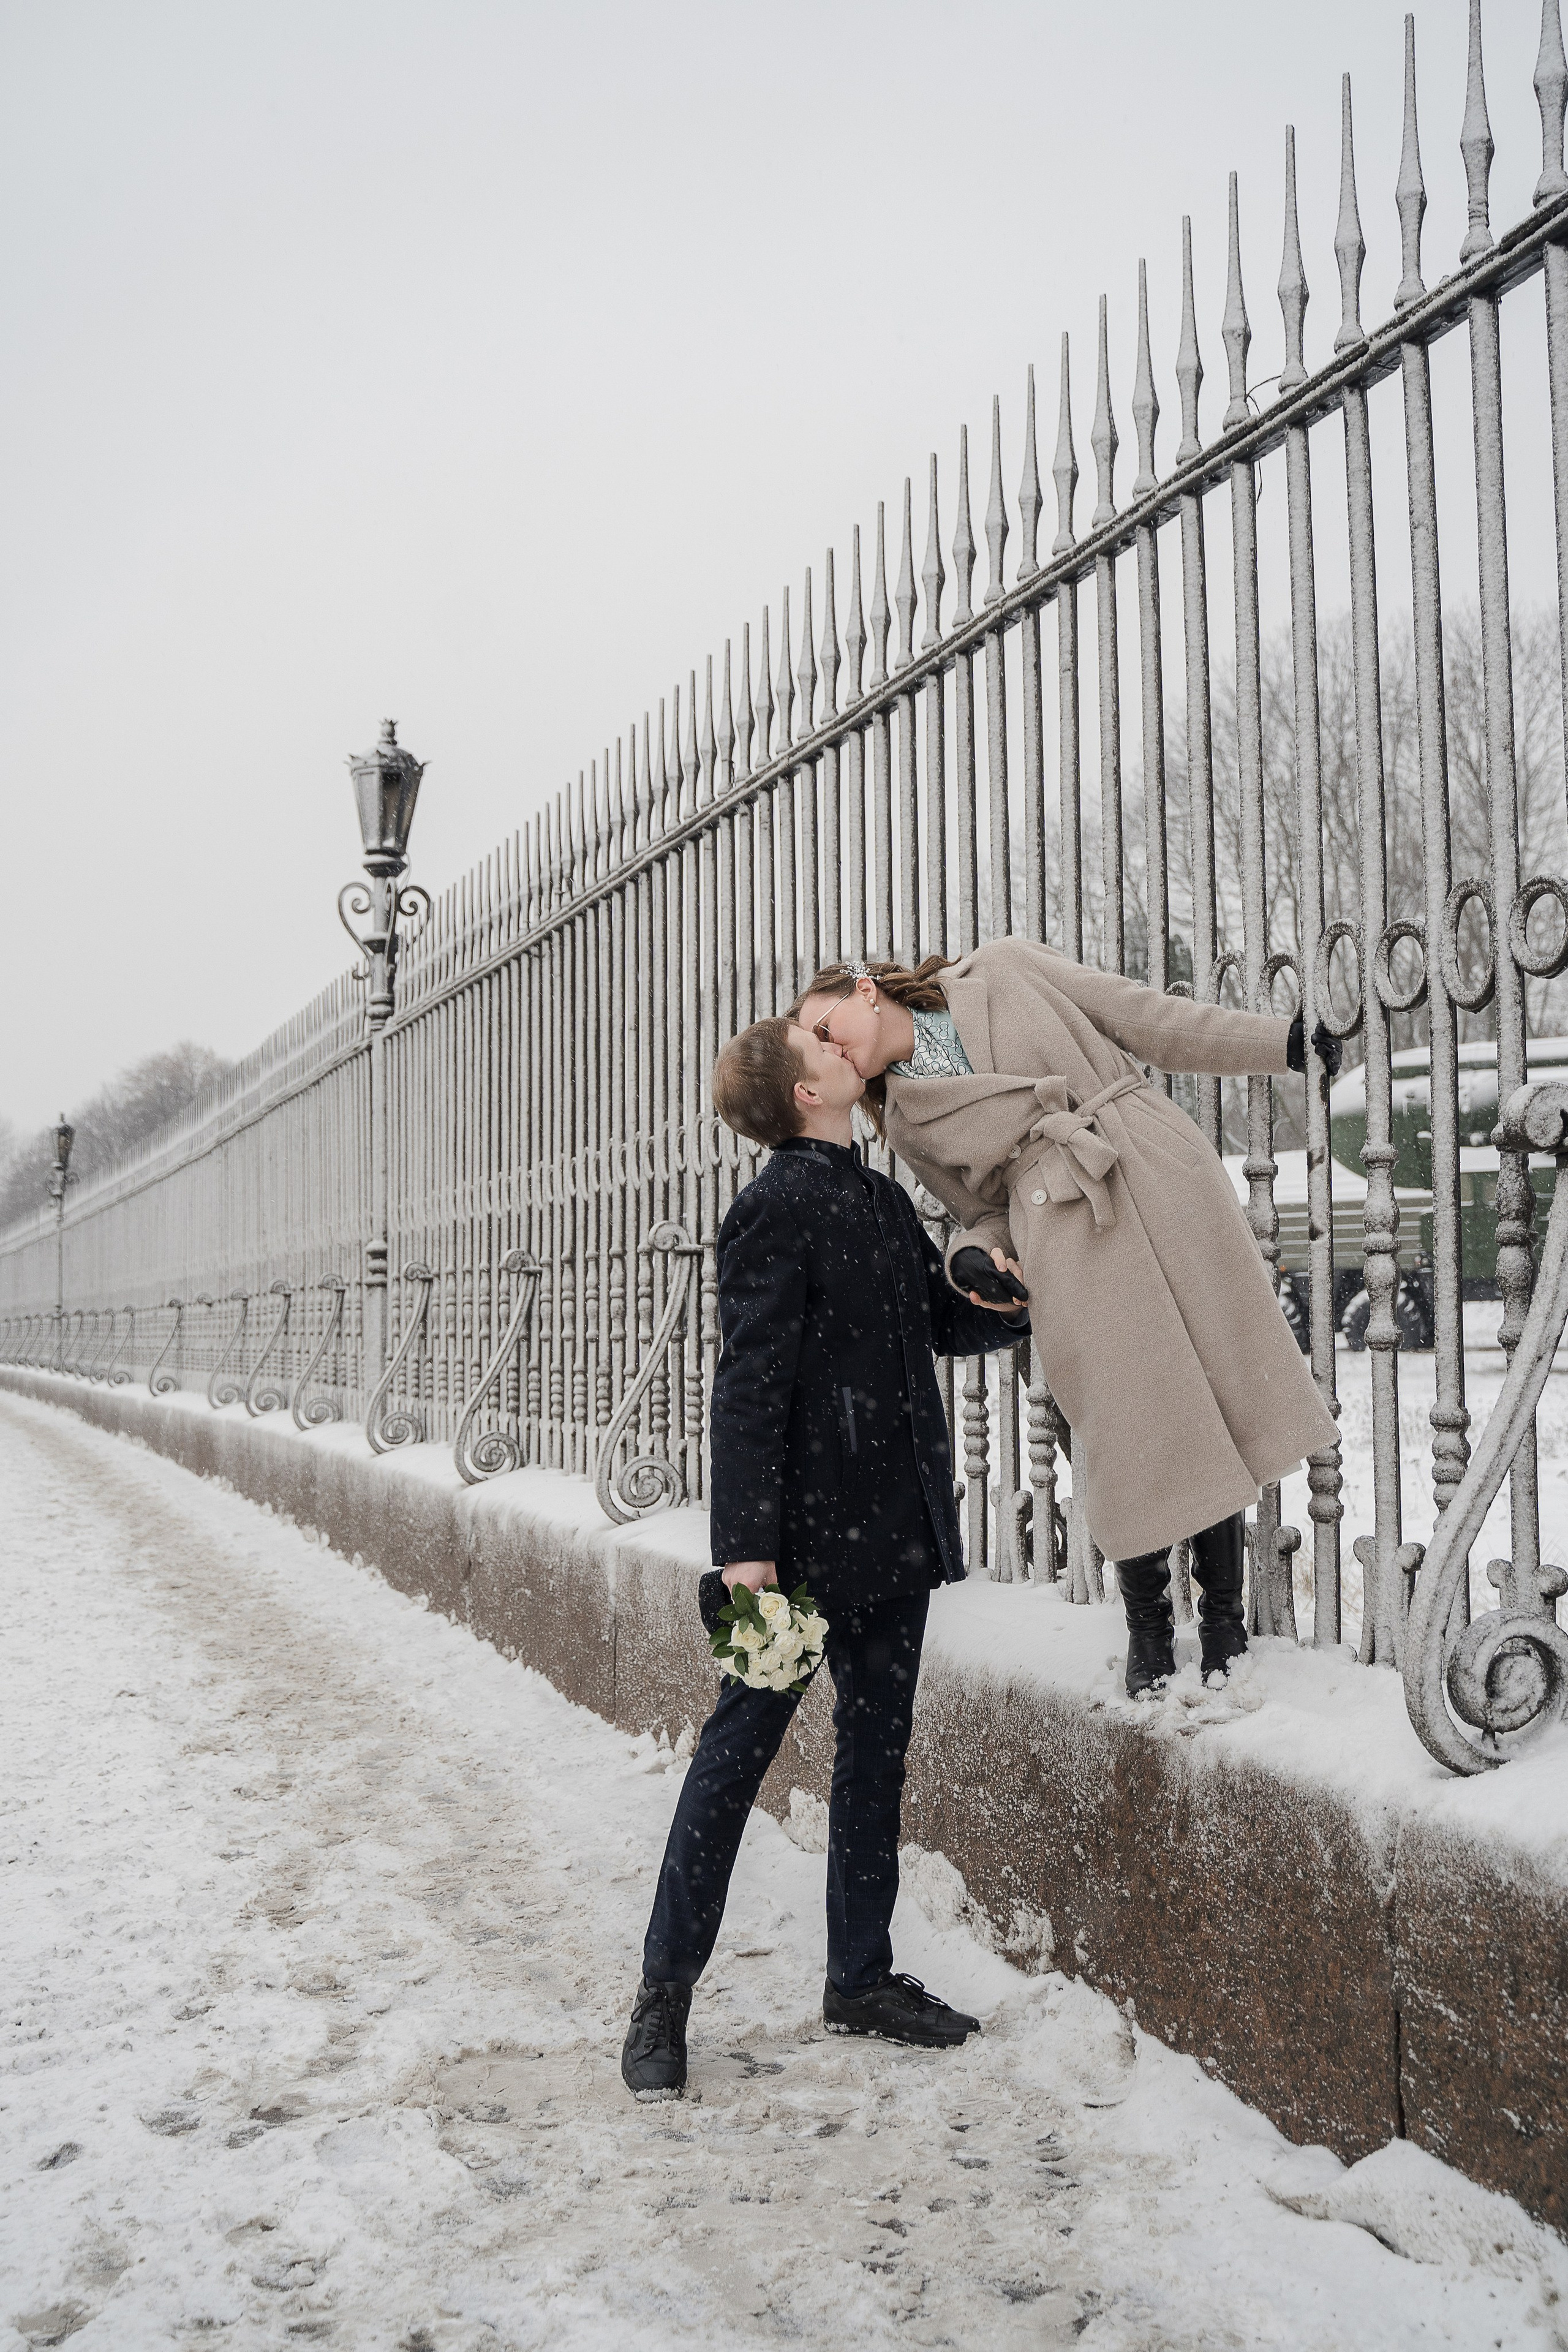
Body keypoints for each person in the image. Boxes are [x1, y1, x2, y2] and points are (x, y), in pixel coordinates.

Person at [620, 1010, 1029, 2097]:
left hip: (893, 1535)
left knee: (875, 1754)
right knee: (735, 1755)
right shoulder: (771, 1209)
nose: (845, 1047)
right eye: (821, 1046)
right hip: (798, 1548)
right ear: (805, 1094)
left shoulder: (882, 1200)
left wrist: (1008, 1299)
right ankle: (664, 1992)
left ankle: (861, 1978)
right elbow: (748, 1383)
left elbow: (936, 1322)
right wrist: (745, 1549)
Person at [790, 944, 1342, 1702]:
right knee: (1120, 1424)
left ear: (863, 989)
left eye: (824, 1029)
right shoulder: (906, 1121)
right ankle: (1148, 1625)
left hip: (1148, 1168)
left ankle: (1224, 1621)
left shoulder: (1005, 968)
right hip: (1062, 1230)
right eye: (815, 1047)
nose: (829, 1050)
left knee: (1210, 1388)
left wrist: (1279, 1044)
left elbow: (1143, 1019)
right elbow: (982, 1212)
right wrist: (970, 1259)